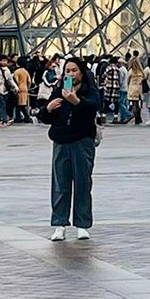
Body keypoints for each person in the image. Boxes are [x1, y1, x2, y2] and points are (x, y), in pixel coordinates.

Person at [45, 57, 99, 241]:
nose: (70, 74)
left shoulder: (89, 91)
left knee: (83, 183)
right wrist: (49, 108)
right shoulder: (59, 91)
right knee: (60, 184)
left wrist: (76, 101)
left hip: (82, 141)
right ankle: (59, 224)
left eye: (74, 70)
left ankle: (82, 225)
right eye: (67, 70)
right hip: (61, 141)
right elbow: (46, 116)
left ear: (82, 72)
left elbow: (93, 108)